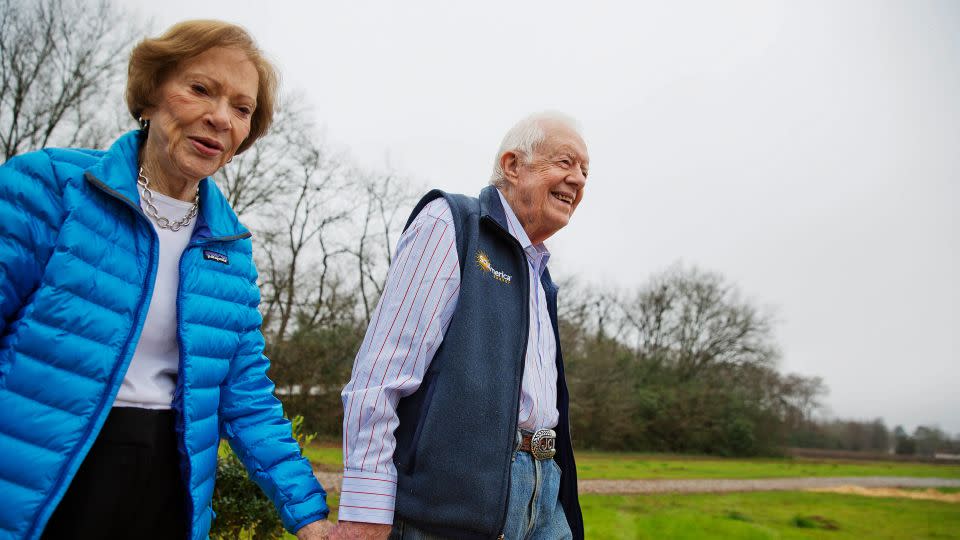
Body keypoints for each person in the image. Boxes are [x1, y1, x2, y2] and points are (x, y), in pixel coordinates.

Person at [0, 20, 331, 540]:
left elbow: (246, 396)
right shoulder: (47, 186)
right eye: (200, 89)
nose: (220, 117)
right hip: (46, 481)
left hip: (167, 490)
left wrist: (309, 517)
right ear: (151, 95)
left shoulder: (229, 248)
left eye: (242, 109)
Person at [334, 112, 589, 539]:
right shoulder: (451, 222)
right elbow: (378, 379)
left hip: (545, 501)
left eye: (585, 171)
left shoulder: (542, 276)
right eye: (565, 162)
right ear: (512, 165)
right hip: (452, 511)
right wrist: (366, 510)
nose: (578, 179)